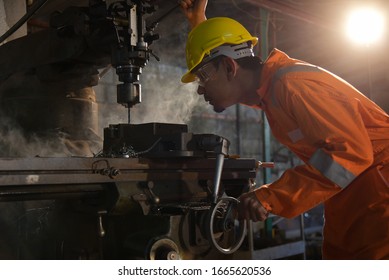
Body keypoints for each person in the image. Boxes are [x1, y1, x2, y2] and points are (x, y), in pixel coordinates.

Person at [179, 0, 389, 259]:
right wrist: (199, 24)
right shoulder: (271, 92)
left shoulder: (293, 85)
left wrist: (272, 197)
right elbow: (233, 79)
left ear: (229, 67)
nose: (200, 89)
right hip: (353, 195)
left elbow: (351, 154)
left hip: (379, 194)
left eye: (202, 78)